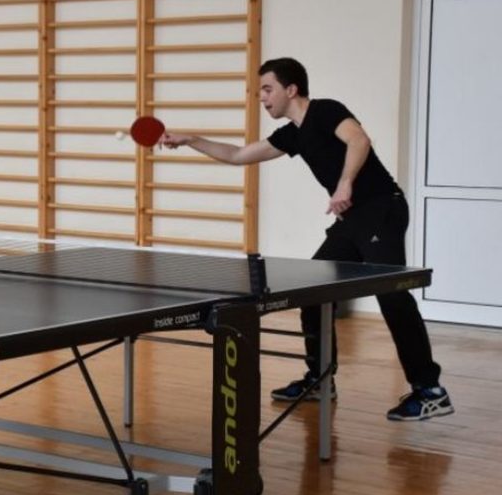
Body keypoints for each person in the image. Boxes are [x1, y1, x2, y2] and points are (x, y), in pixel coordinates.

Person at [160, 57, 453, 422]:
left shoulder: (326, 111)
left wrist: (345, 183)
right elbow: (238, 155)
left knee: (392, 293)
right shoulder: (293, 134)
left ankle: (430, 390)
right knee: (312, 291)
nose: (262, 98)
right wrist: (191, 140)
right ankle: (320, 379)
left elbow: (359, 139)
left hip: (381, 208)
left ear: (291, 89)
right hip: (351, 219)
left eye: (267, 89)